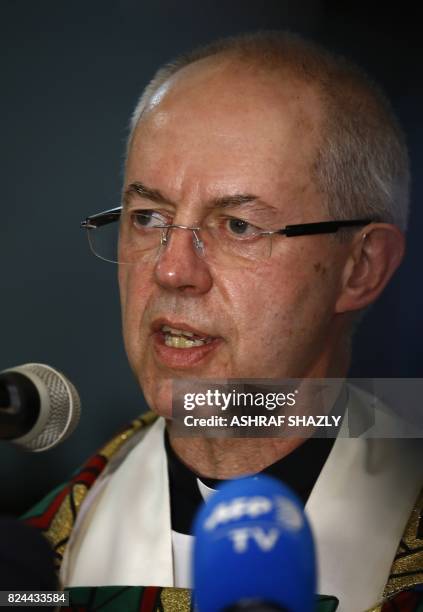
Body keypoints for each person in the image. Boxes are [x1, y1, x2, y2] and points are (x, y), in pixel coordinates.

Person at [24, 32, 422, 611]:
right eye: (148, 216)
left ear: (359, 267)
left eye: (237, 226)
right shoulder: (42, 557)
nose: (170, 270)